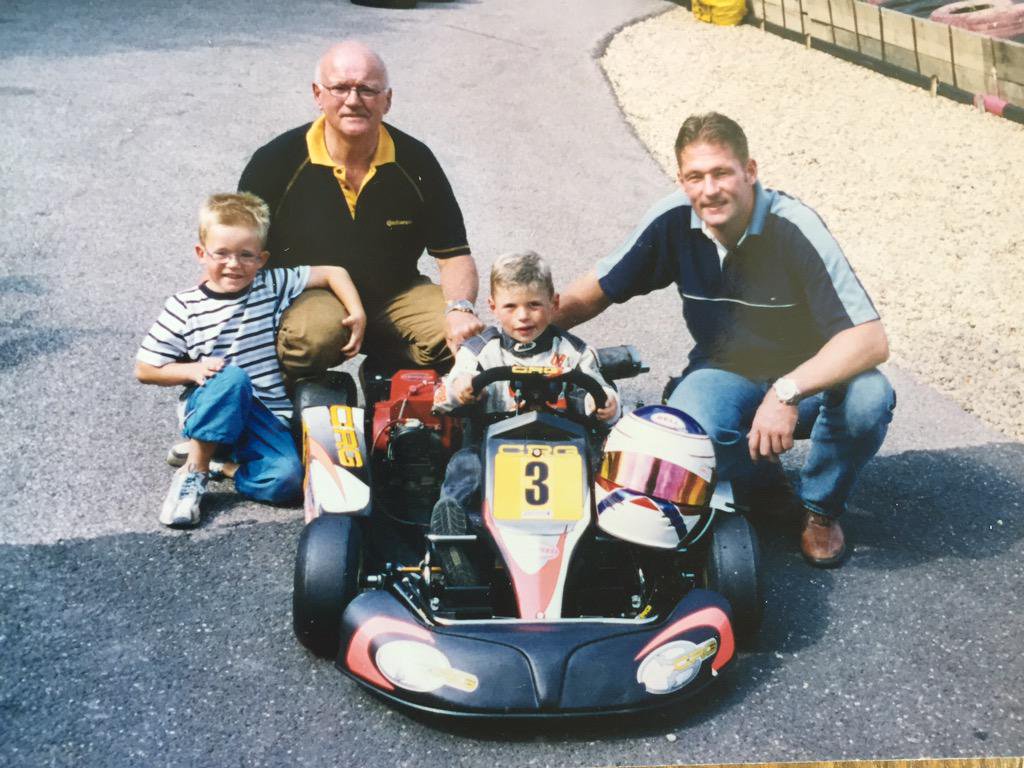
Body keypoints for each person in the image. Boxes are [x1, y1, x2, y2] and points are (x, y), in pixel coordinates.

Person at [555, 112, 895, 568]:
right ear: (681, 179)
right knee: (682, 441)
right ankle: (761, 477)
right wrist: (520, 334)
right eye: (695, 177)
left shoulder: (794, 225)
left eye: (721, 173)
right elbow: (590, 293)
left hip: (807, 377)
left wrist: (787, 390)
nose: (709, 189)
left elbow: (871, 340)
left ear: (750, 171)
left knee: (869, 398)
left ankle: (820, 508)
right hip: (723, 369)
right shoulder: (671, 219)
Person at [237, 40, 484, 380]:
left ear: (388, 100)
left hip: (394, 294)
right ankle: (295, 402)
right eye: (340, 88)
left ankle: (389, 379)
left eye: (368, 90)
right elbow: (235, 253)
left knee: (465, 340)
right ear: (317, 94)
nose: (353, 101)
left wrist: (460, 310)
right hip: (311, 297)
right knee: (313, 338)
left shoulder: (415, 160)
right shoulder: (275, 162)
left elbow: (454, 255)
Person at [136, 193, 366, 528]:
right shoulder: (184, 307)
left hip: (265, 412)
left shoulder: (269, 285)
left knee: (287, 481)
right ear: (201, 254)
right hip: (214, 399)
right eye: (222, 254)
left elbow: (334, 272)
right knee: (232, 377)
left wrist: (357, 311)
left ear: (262, 259)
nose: (234, 264)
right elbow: (145, 369)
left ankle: (222, 465)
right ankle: (194, 472)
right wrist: (192, 369)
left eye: (246, 255)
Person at [430, 251, 620, 538]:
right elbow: (443, 395)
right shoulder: (480, 350)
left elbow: (603, 391)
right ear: (492, 307)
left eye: (534, 305)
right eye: (511, 306)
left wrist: (605, 403)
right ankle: (453, 529)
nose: (523, 316)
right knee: (465, 464)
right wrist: (462, 389)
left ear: (554, 303)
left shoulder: (573, 352)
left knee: (604, 460)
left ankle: (612, 528)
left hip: (565, 445)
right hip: (493, 444)